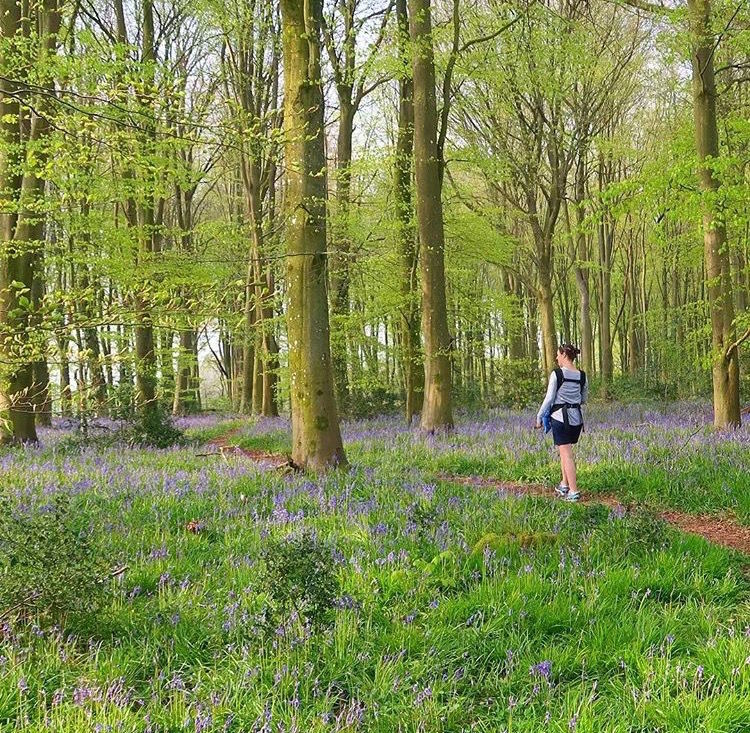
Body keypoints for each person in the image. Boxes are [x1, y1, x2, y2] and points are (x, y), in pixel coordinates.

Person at [534, 344, 588, 501]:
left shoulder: (556, 374)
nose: (556, 358)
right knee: (564, 452)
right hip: (576, 419)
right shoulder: (582, 376)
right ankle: (564, 484)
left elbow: (549, 398)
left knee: (567, 454)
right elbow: (583, 399)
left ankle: (573, 491)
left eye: (558, 354)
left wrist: (539, 416)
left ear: (564, 355)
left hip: (560, 418)